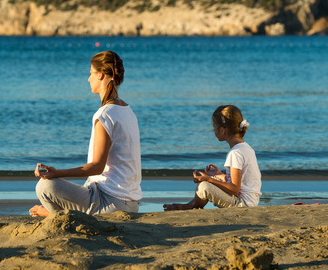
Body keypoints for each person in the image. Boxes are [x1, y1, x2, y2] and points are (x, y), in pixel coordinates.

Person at [29, 51, 142, 217]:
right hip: (130, 204)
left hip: (110, 203)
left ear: (101, 75)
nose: (89, 79)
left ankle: (54, 215)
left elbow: (96, 167)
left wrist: (57, 172)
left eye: (91, 73)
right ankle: (60, 214)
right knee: (87, 184)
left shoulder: (105, 115)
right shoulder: (127, 110)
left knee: (44, 187)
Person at [163, 105, 261, 211]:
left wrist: (209, 179)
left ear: (223, 130)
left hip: (242, 204)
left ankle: (190, 206)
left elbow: (234, 189)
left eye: (214, 126)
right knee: (212, 180)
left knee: (204, 186)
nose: (213, 130)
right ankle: (190, 205)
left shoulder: (235, 153)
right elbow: (241, 183)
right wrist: (219, 175)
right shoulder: (246, 147)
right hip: (250, 201)